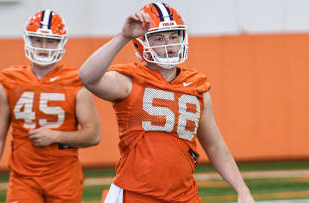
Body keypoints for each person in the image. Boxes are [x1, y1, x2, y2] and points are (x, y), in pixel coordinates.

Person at [79, 2, 255, 203]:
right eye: (159, 38)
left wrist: (243, 190)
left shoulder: (196, 86)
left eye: (173, 36)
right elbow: (87, 77)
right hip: (136, 194)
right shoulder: (130, 81)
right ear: (141, 42)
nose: (169, 44)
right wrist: (123, 36)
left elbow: (215, 146)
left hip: (185, 195)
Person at [0, 9, 101, 203]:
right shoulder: (11, 81)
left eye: (50, 41)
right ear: (28, 40)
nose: (44, 46)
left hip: (64, 177)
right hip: (23, 178)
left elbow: (94, 135)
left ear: (60, 43)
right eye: (37, 40)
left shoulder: (76, 82)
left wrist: (56, 135)